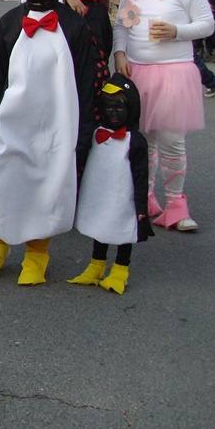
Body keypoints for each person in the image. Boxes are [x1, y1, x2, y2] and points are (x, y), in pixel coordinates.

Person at [0, 0, 95, 285]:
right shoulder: (8, 24)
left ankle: (37, 254)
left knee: (44, 188)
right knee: (3, 181)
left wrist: (84, 131)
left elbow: (86, 81)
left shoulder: (73, 26)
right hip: (12, 124)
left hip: (55, 127)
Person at [113, 0, 214, 231]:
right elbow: (123, 24)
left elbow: (207, 25)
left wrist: (176, 31)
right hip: (138, 72)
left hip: (174, 72)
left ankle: (176, 206)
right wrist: (120, 53)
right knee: (144, 140)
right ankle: (144, 201)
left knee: (171, 140)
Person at [68, 75, 152, 294]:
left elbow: (142, 175)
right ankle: (96, 265)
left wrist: (141, 208)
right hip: (99, 192)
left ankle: (120, 269)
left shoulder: (135, 141)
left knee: (122, 231)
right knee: (100, 225)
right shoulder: (97, 133)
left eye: (119, 107)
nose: (113, 112)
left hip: (123, 197)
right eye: (108, 107)